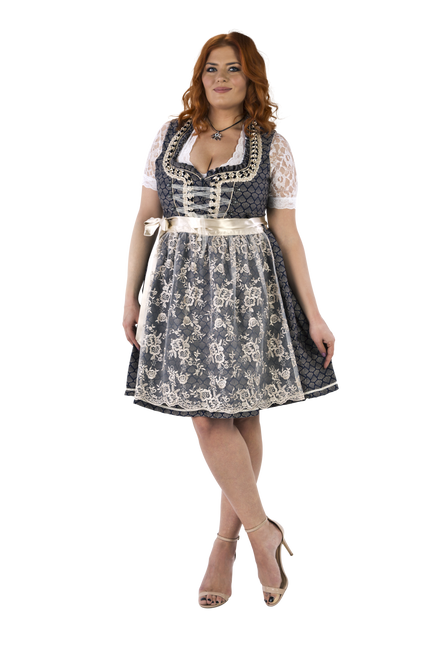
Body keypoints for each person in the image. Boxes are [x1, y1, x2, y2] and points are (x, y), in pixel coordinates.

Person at [120, 27, 341, 610]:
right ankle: (261, 534)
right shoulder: (168, 133)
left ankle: (226, 545)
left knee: (240, 415)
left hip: (249, 290)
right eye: (212, 68)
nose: (221, 78)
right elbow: (144, 216)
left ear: (253, 77)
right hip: (180, 290)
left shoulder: (273, 144)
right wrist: (129, 297)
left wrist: (316, 314)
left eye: (234, 68)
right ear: (199, 75)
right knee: (206, 418)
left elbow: (289, 234)